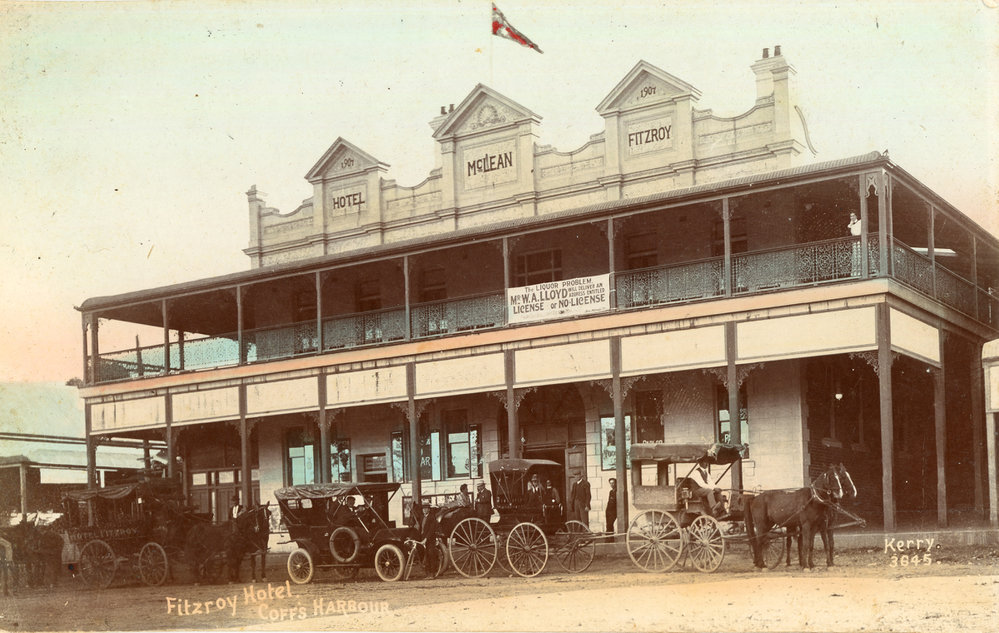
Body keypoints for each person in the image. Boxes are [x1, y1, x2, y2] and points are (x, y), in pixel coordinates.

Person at [848, 212, 862, 276]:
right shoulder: (851, 224)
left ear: (856, 216)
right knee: (855, 257)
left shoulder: (860, 222)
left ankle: (861, 271)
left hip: (860, 241)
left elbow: (858, 233)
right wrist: (850, 225)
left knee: (860, 256)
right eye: (851, 216)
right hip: (855, 242)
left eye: (853, 216)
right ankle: (856, 272)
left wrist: (851, 226)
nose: (852, 217)